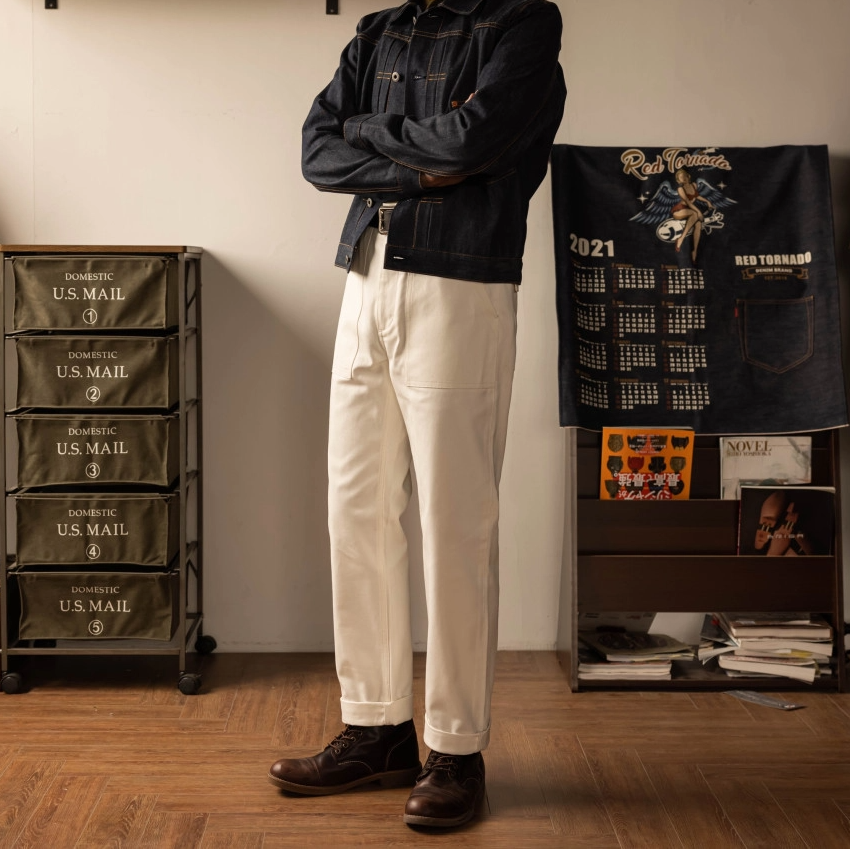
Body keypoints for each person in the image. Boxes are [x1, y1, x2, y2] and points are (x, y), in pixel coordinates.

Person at [268, 0, 566, 829]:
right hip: (365, 279)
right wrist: (419, 162)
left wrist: (372, 135)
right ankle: (377, 727)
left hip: (460, 286)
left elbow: (472, 142)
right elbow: (316, 149)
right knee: (355, 511)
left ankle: (456, 748)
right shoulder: (378, 31)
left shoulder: (522, 24)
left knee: (455, 523)